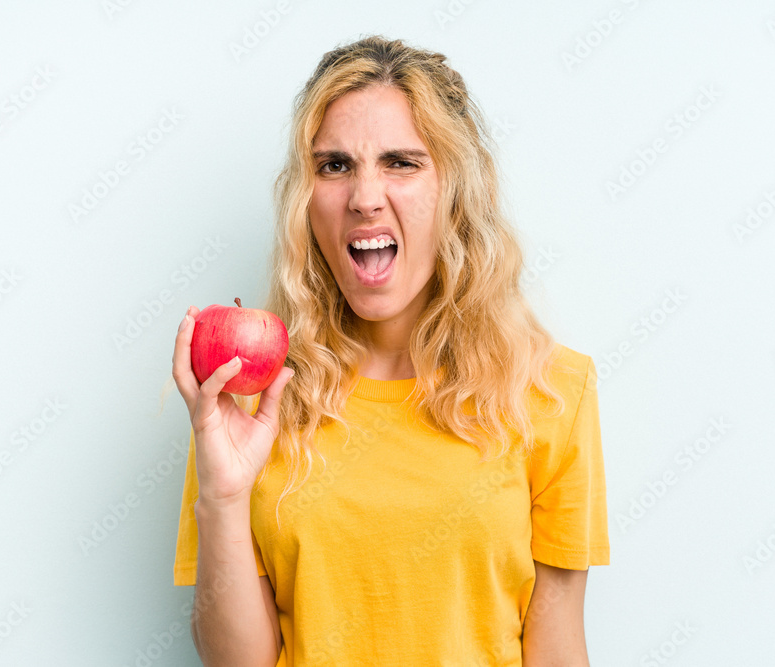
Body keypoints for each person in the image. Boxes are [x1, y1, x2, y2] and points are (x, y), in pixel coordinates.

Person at [170, 34, 609, 666]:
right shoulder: (246, 397)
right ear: (305, 200)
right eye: (334, 166)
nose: (365, 197)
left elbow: (557, 644)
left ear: (455, 190)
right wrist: (223, 497)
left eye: (401, 162)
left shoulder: (552, 391)